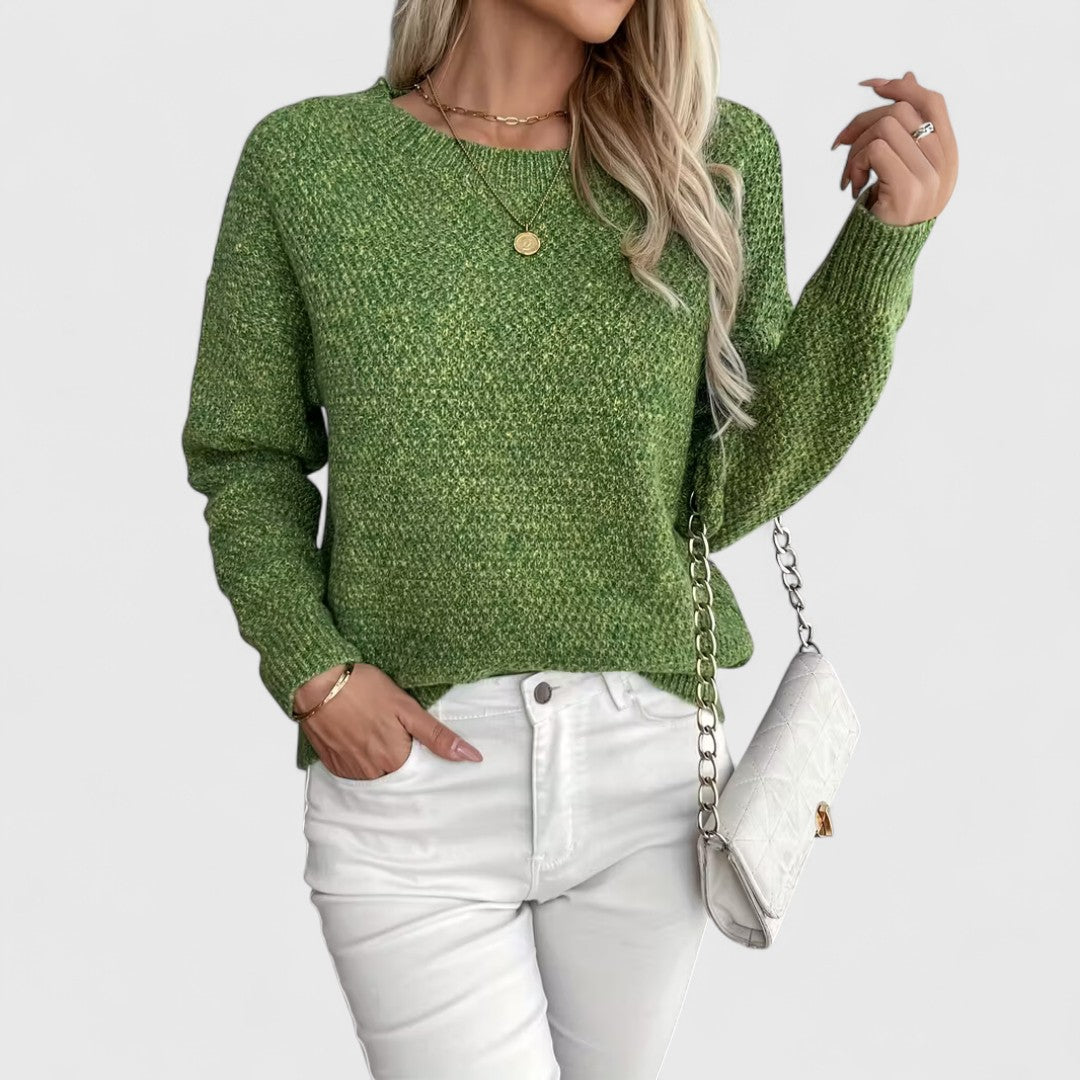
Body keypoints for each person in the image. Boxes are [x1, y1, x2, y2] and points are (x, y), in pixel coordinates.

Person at [180, 1, 954, 1076]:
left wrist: (880, 252)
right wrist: (315, 673)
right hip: (413, 780)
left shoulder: (714, 156)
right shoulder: (309, 162)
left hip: (646, 768)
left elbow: (731, 484)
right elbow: (245, 453)